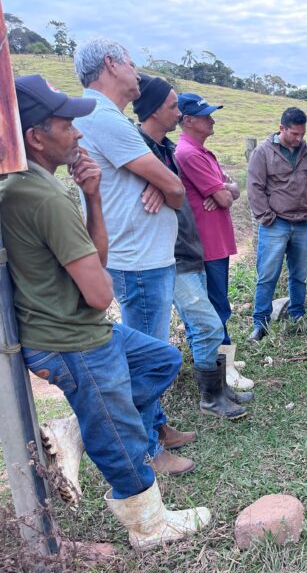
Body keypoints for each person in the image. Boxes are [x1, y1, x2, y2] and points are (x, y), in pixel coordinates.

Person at [0, 75, 210, 549]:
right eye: (66, 125)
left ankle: (81, 426)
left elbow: (95, 258)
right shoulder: (42, 198)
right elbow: (99, 293)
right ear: (36, 137)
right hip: (73, 338)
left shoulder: (35, 186)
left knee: (162, 360)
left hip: (79, 329)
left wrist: (93, 196)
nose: (77, 132)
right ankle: (148, 526)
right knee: (121, 434)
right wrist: (102, 278)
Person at [72, 37, 195, 475]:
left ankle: (156, 426)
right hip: (138, 260)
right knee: (148, 358)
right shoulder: (101, 116)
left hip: (143, 256)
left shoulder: (107, 117)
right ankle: (145, 449)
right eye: (130, 62)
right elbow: (176, 189)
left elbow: (170, 188)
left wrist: (161, 186)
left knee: (151, 350)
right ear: (110, 64)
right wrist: (163, 185)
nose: (136, 71)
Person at [132, 74, 251, 419]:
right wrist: (179, 190)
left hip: (191, 248)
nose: (178, 113)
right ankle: (209, 396)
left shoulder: (169, 151)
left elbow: (224, 190)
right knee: (208, 322)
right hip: (172, 254)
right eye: (174, 107)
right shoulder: (150, 150)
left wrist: (215, 189)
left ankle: (218, 389)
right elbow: (216, 195)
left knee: (211, 319)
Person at [174, 92, 254, 391]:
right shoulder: (190, 154)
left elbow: (232, 190)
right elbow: (225, 197)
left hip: (215, 241)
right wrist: (223, 190)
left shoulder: (201, 152)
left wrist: (224, 188)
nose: (211, 120)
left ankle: (225, 359)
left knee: (218, 305)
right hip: (205, 244)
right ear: (188, 120)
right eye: (205, 116)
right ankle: (222, 369)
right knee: (215, 308)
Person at [246, 107, 307, 341]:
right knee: (267, 275)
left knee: (299, 274)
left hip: (303, 224)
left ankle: (297, 316)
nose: (299, 139)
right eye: (294, 134)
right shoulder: (262, 152)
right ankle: (260, 323)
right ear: (282, 128)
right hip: (275, 224)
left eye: (302, 134)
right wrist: (266, 217)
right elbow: (254, 188)